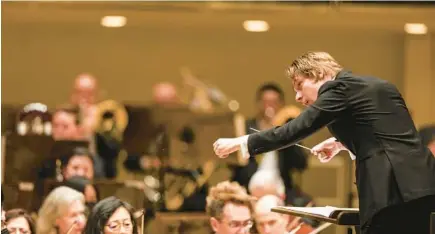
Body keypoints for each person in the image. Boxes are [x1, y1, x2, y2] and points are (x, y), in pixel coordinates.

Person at [213, 51, 435, 234]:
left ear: (319, 74)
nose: (298, 97)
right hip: (422, 187)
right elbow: (383, 135)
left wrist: (243, 142)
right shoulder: (381, 86)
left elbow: (296, 129)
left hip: (389, 193)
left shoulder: (338, 87)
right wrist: (340, 143)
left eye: (300, 85)